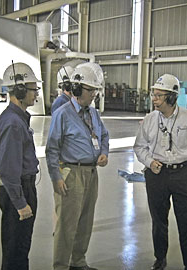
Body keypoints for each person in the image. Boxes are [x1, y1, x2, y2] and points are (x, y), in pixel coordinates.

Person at [133, 74, 187, 270]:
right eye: (154, 94)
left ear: (172, 97)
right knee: (159, 222)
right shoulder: (150, 120)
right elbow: (139, 147)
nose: (154, 99)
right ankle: (160, 259)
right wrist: (150, 162)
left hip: (183, 175)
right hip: (157, 175)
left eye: (159, 95)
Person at [46, 62, 109, 270]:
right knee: (67, 224)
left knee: (85, 222)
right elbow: (52, 149)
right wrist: (56, 177)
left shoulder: (93, 113)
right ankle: (61, 265)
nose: (94, 95)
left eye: (94, 91)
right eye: (90, 91)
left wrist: (104, 153)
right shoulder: (62, 114)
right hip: (71, 174)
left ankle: (78, 262)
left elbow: (105, 135)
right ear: (77, 89)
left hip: (91, 173)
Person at [0, 62, 41, 270]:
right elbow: (9, 171)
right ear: (20, 90)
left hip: (22, 188)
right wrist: (21, 203)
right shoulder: (13, 123)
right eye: (33, 89)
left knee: (20, 248)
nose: (36, 93)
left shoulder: (19, 119)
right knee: (16, 250)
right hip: (18, 190)